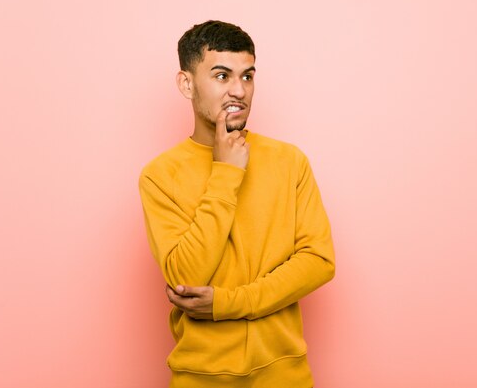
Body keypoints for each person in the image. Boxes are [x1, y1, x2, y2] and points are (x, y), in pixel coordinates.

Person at [138, 20, 335, 388]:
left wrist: (228, 303)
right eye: (222, 75)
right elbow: (186, 279)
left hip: (285, 376)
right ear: (187, 84)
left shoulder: (289, 160)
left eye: (247, 77)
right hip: (200, 378)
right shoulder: (160, 175)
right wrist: (226, 174)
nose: (239, 91)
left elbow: (318, 262)